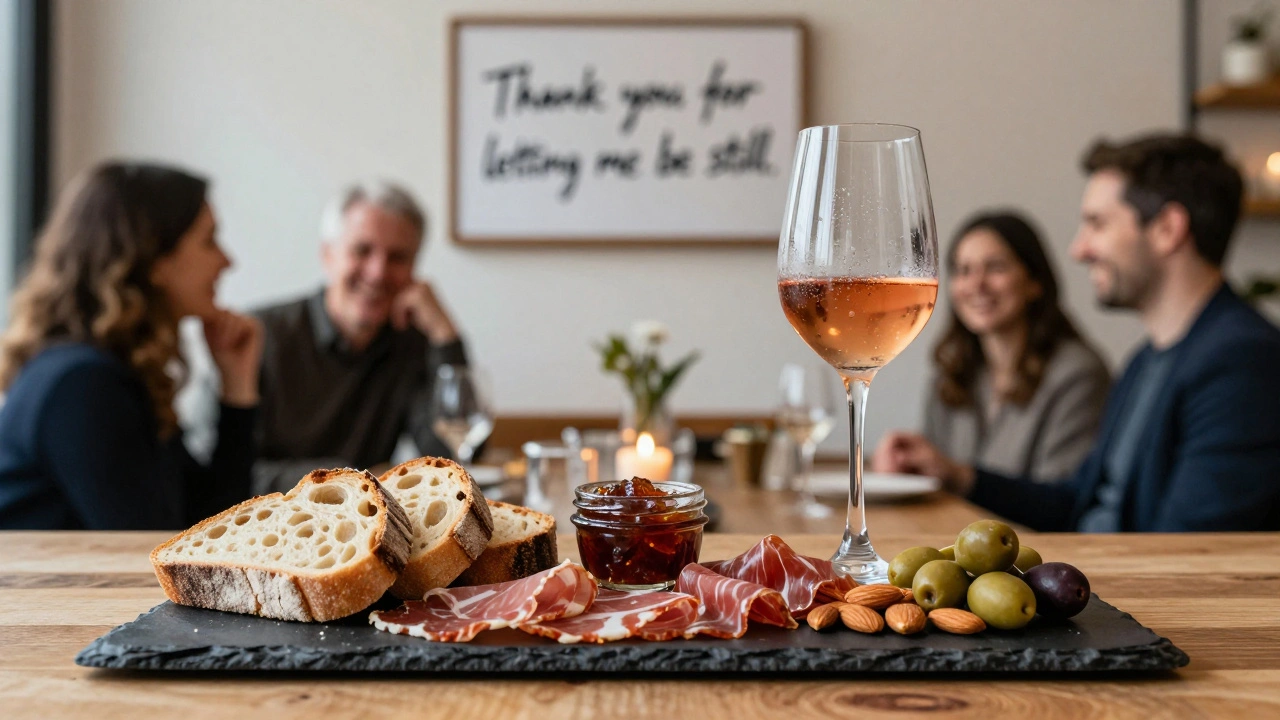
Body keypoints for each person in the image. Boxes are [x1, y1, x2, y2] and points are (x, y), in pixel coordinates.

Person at [875, 133, 1280, 532]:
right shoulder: (1147, 360)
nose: (1079, 250)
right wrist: (959, 476)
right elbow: (1074, 503)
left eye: (1097, 224)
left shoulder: (1242, 362)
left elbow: (1192, 553)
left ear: (1167, 229)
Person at [0, 162, 263, 530]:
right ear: (154, 259)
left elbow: (214, 524)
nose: (227, 261)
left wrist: (237, 387)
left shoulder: (109, 373)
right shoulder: (83, 386)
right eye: (209, 241)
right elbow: (160, 549)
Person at [187, 180, 469, 495]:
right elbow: (213, 472)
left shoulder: (412, 343)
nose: (378, 272)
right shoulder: (258, 336)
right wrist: (337, 479)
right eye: (362, 250)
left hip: (364, 535)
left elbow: (450, 456)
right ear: (327, 255)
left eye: (397, 258)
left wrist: (446, 335)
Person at [912, 211, 1110, 482]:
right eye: (963, 270)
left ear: (1034, 282)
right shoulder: (952, 374)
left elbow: (1062, 502)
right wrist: (908, 462)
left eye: (995, 267)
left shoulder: (1078, 375)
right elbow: (931, 483)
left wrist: (959, 476)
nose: (976, 284)